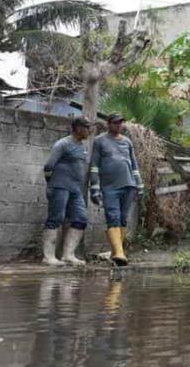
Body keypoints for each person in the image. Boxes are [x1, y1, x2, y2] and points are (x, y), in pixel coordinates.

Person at [89, 113, 144, 266]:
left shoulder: (127, 142)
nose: (118, 125)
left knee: (122, 219)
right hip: (109, 186)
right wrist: (94, 187)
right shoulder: (100, 141)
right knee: (113, 216)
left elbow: (134, 165)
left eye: (120, 123)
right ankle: (120, 253)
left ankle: (116, 253)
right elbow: (94, 165)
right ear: (108, 124)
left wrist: (139, 185)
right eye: (115, 123)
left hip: (128, 185)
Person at [41, 117, 91, 266]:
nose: (89, 131)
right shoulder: (63, 144)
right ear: (78, 128)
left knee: (80, 219)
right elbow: (49, 166)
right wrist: (52, 184)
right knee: (56, 218)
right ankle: (48, 257)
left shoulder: (83, 146)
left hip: (75, 189)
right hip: (60, 187)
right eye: (87, 127)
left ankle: (68, 255)